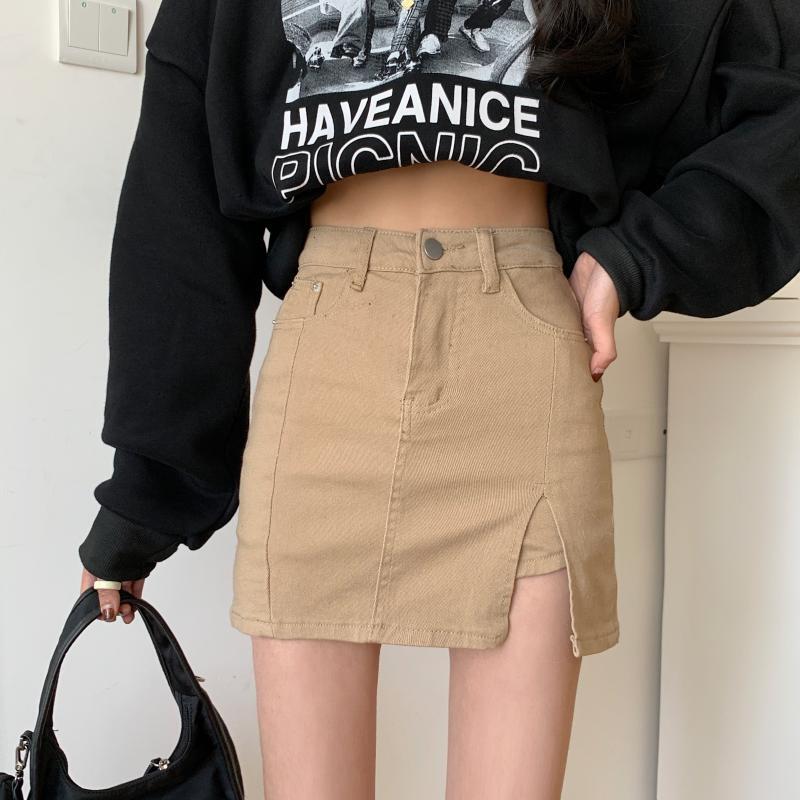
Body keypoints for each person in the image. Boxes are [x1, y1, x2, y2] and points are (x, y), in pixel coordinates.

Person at [78, 0, 800, 796]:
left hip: (522, 360)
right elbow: (179, 192)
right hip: (330, 360)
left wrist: (631, 259)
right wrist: (144, 499)